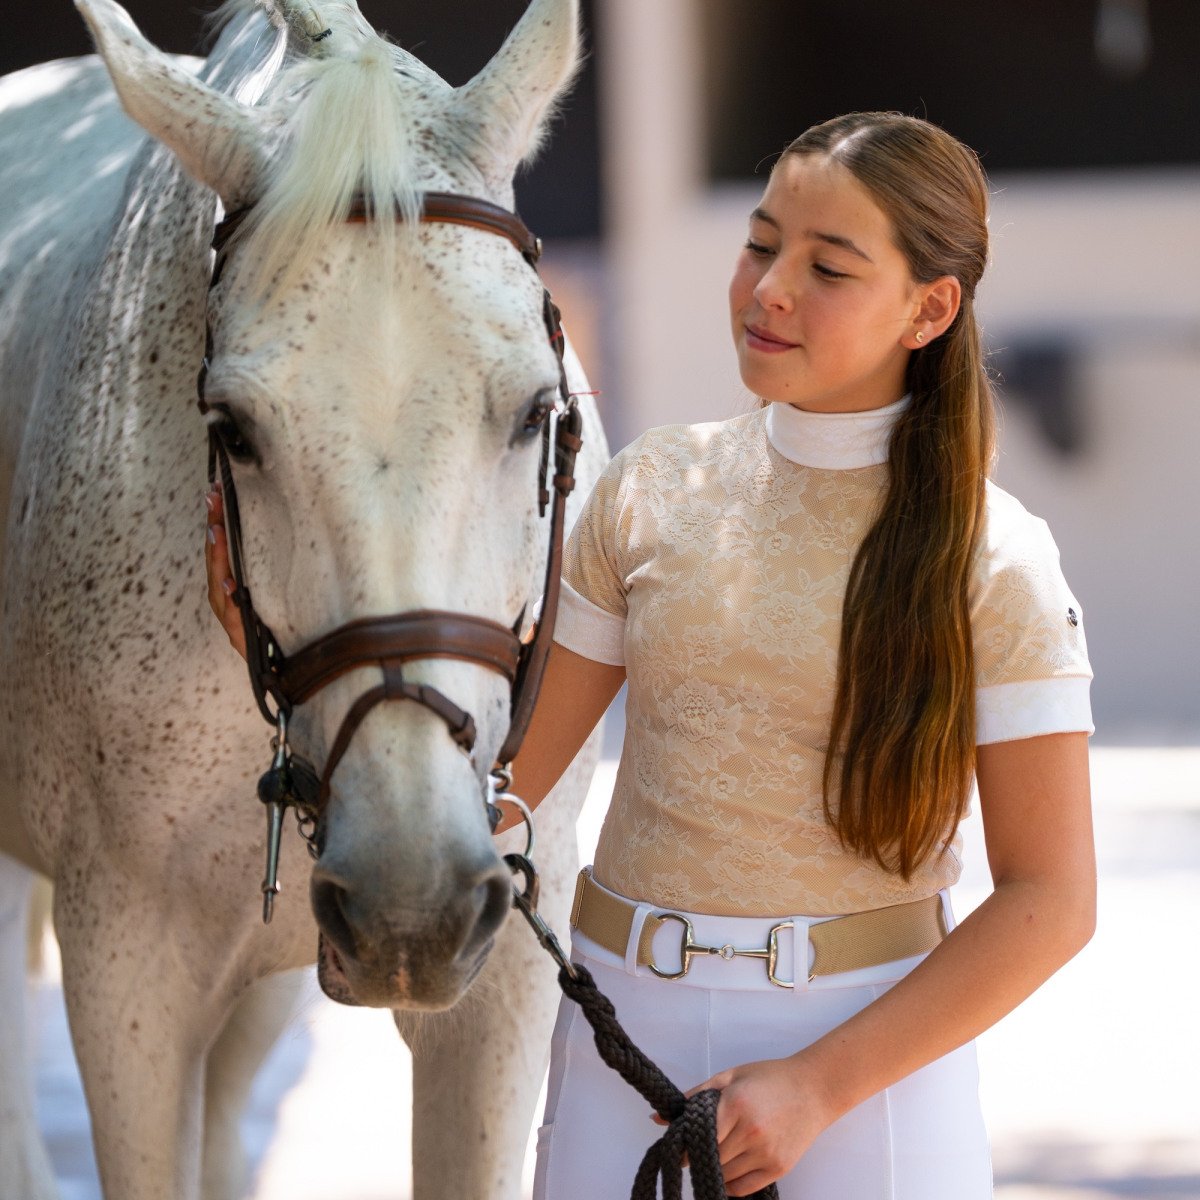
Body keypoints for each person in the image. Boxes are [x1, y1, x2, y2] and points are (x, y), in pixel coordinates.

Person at [206, 112, 1096, 1199]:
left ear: (931, 308)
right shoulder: (645, 490)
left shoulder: (995, 559)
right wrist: (274, 649)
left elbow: (1052, 900)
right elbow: (508, 791)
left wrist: (815, 1087)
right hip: (620, 1034)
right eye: (762, 243)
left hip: (871, 1074)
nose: (769, 288)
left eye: (828, 266)